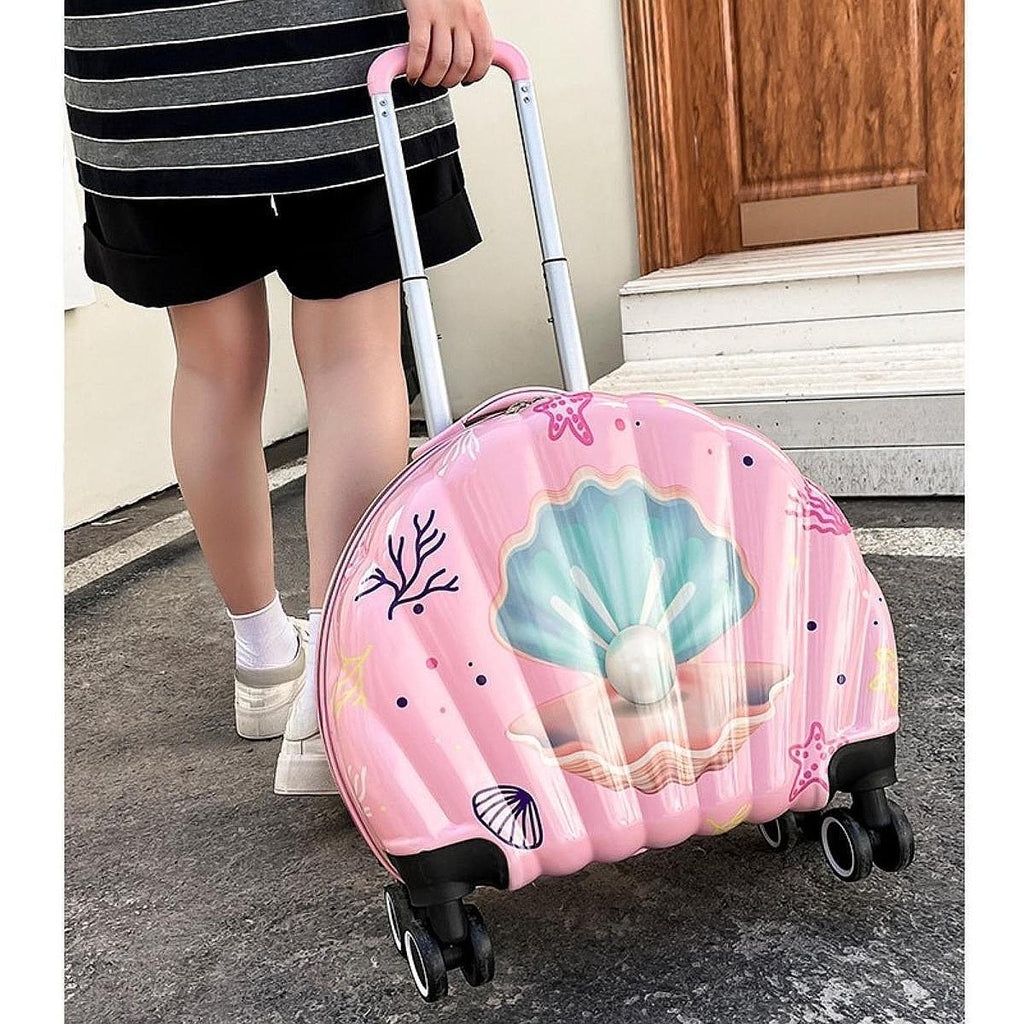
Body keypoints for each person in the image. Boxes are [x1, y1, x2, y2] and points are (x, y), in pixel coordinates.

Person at [65, 0, 493, 793]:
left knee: (210, 366)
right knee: (353, 356)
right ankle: (342, 687)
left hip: (141, 60)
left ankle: (265, 659)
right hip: (326, 42)